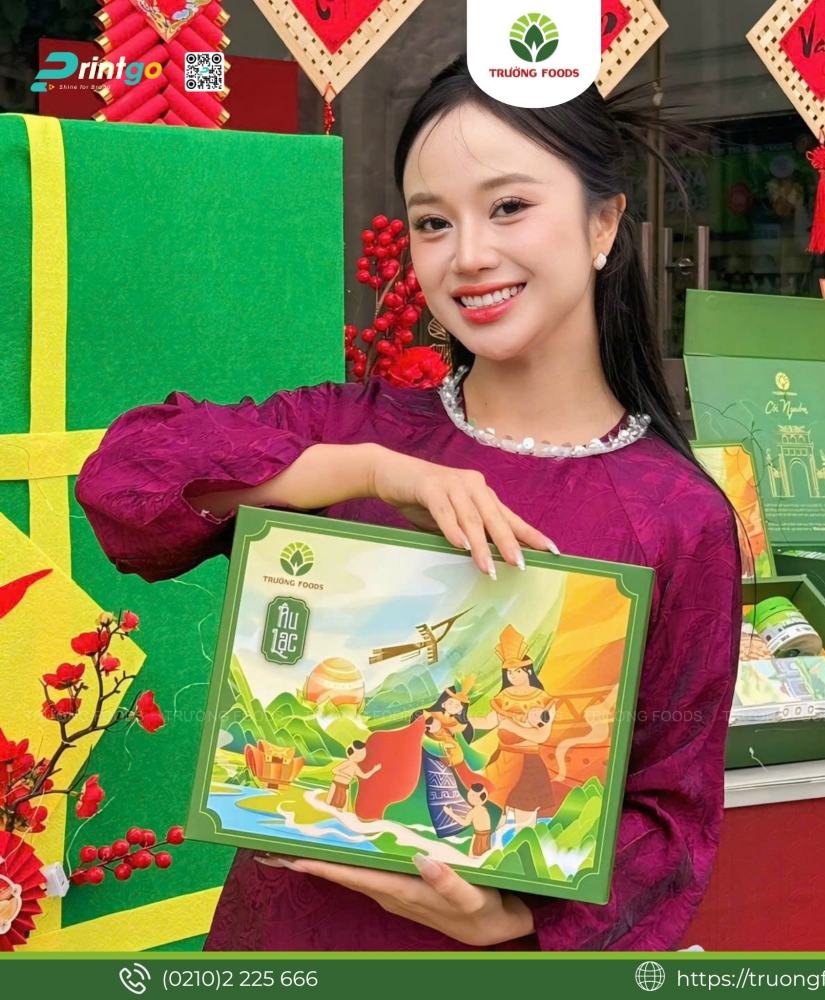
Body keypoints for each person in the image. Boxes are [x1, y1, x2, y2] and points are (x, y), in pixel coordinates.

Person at [76, 55, 741, 951]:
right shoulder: (348, 430)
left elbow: (671, 815)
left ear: (603, 223)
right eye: (433, 221)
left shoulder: (678, 516)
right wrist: (371, 471)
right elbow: (124, 482)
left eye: (509, 206)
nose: (468, 255)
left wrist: (506, 919)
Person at [470, 625, 556, 830]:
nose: (514, 676)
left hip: (527, 761)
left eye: (518, 671)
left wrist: (512, 726)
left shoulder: (543, 699)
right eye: (509, 672)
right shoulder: (504, 697)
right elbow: (489, 722)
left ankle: (523, 845)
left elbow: (542, 736)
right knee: (494, 810)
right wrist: (461, 719)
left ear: (528, 671)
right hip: (501, 758)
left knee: (524, 817)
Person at [325, 740, 381, 812]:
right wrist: (345, 775)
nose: (360, 756)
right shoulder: (348, 762)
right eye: (358, 754)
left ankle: (344, 816)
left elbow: (364, 776)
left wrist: (374, 770)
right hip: (336, 784)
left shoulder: (355, 767)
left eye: (362, 754)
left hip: (345, 786)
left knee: (344, 805)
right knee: (329, 802)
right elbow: (334, 770)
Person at [443, 784, 494, 859]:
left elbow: (464, 823)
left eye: (472, 795)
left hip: (479, 837)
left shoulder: (474, 812)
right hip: (487, 838)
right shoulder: (484, 809)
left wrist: (450, 813)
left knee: (473, 858)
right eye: (469, 793)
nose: (469, 796)